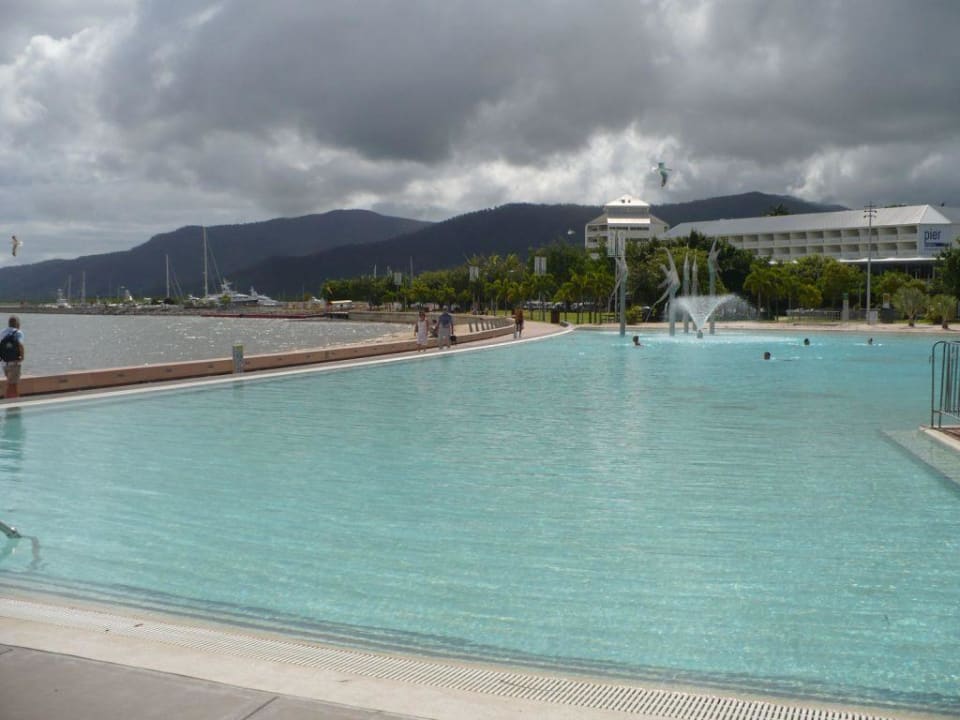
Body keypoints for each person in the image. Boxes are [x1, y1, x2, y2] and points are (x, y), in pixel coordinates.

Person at [0, 316, 24, 399]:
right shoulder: (18, 332)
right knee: (12, 384)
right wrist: (22, 357)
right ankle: (8, 401)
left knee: (12, 383)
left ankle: (15, 399)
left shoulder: (2, 332)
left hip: (4, 362)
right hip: (14, 362)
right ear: (17, 323)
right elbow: (20, 345)